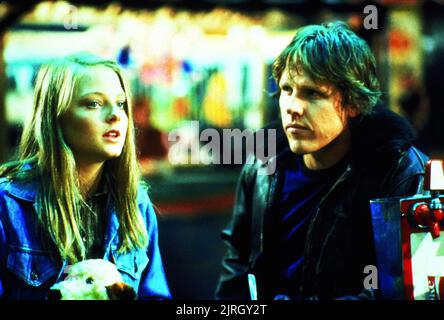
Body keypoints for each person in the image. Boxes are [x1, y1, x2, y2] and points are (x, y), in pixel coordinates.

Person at [215, 21, 428, 300]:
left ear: (352, 103)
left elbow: (403, 289)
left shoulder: (401, 172)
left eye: (312, 93)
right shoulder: (262, 165)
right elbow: (238, 265)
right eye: (286, 89)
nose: (292, 107)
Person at [0, 53, 171, 300]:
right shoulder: (7, 204)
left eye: (121, 103)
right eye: (94, 103)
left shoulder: (135, 203)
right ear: (56, 116)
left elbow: (155, 296)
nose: (115, 115)